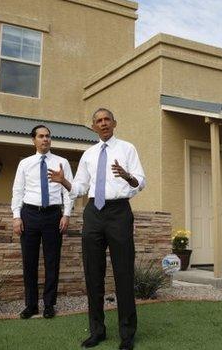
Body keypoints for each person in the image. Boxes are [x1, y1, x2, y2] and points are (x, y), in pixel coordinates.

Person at [48, 108, 145, 350]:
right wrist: (64, 181)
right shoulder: (89, 154)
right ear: (93, 126)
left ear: (114, 123)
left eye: (107, 120)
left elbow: (140, 182)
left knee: (123, 273)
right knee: (93, 273)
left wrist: (127, 176)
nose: (103, 124)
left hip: (119, 212)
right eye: (99, 121)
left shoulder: (127, 149)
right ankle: (97, 331)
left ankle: (127, 334)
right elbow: (80, 186)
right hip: (93, 213)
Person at [11, 125, 73, 319]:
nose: (45, 139)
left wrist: (67, 214)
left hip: (53, 216)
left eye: (48, 136)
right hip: (29, 214)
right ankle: (31, 305)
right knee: (29, 262)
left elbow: (68, 191)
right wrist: (16, 216)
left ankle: (48, 304)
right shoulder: (25, 163)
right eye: (41, 136)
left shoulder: (62, 162)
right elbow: (18, 191)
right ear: (34, 140)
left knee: (52, 261)